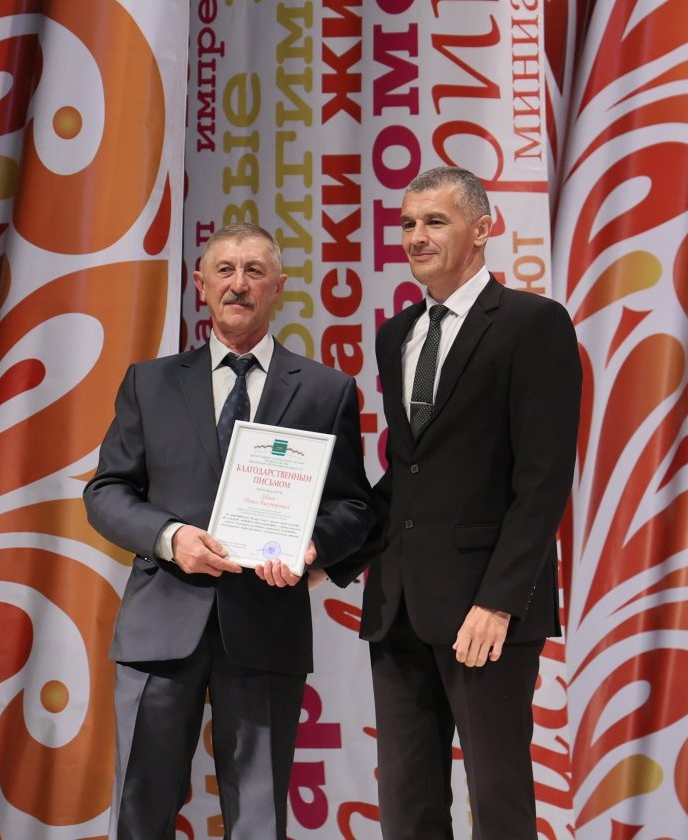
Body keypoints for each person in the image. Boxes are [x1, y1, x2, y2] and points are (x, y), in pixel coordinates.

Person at [84, 223, 374, 840]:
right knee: (139, 811)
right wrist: (171, 536)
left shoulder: (326, 390)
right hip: (160, 625)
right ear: (201, 285)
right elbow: (106, 492)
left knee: (259, 821)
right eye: (225, 270)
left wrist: (311, 547)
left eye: (254, 271)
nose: (238, 284)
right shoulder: (149, 382)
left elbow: (353, 505)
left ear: (279, 287)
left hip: (266, 624)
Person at [323, 167, 581, 838]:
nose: (416, 236)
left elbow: (543, 480)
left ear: (483, 229)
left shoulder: (533, 324)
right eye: (407, 224)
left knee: (498, 802)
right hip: (398, 605)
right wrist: (329, 553)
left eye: (435, 221)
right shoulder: (395, 335)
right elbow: (409, 478)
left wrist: (499, 602)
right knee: (406, 805)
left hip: (483, 608)